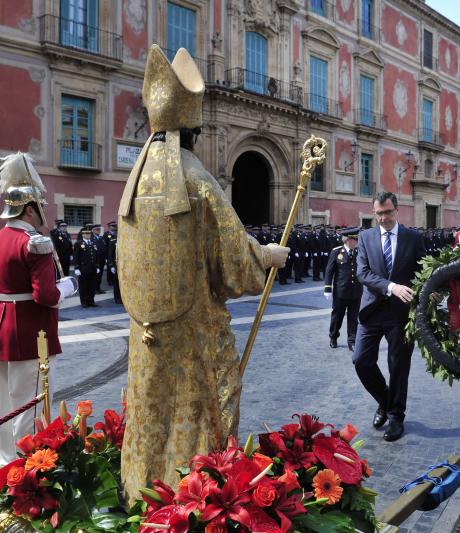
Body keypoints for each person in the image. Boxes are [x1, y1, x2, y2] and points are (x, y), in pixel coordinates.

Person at [117, 45, 289, 499]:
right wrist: (268, 256)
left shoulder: (134, 181)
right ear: (194, 128)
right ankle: (191, 502)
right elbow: (236, 264)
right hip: (194, 334)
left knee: (150, 413)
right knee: (193, 416)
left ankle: (139, 495)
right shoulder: (195, 180)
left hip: (145, 337)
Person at [0, 152, 76, 469]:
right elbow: (47, 296)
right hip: (29, 332)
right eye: (40, 208)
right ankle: (26, 465)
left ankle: (5, 459)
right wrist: (68, 286)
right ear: (30, 208)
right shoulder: (34, 242)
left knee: (3, 402)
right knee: (27, 403)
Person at [353, 191, 426, 442]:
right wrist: (391, 286)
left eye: (387, 212)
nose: (383, 218)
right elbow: (362, 273)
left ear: (397, 210)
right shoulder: (365, 237)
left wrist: (428, 292)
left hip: (400, 314)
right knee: (361, 360)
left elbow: (423, 271)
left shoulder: (413, 238)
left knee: (398, 366)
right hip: (371, 310)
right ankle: (384, 400)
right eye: (379, 214)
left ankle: (396, 417)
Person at [324, 227, 363, 351]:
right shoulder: (336, 252)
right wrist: (327, 288)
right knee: (337, 316)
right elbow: (329, 271)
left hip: (356, 291)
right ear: (347, 240)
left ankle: (352, 340)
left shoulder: (359, 251)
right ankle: (333, 337)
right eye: (354, 239)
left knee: (353, 317)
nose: (356, 241)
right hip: (341, 291)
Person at [73, 225, 100, 308]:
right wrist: (77, 267)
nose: (88, 235)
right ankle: (84, 301)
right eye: (86, 234)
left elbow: (96, 256)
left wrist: (97, 266)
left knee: (92, 286)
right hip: (83, 268)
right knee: (83, 286)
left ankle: (91, 301)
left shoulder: (93, 243)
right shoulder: (78, 243)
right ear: (83, 234)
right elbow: (76, 256)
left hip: (92, 268)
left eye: (89, 234)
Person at [106, 224, 122, 304]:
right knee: (116, 283)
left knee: (122, 283)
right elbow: (110, 254)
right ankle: (117, 298)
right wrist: (111, 265)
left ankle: (122, 298)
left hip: (123, 266)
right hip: (116, 265)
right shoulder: (113, 241)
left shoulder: (124, 240)